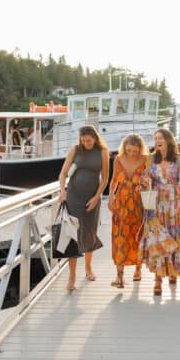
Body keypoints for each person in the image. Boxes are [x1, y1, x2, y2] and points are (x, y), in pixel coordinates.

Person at [139, 128, 180, 296]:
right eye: (155, 138)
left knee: (174, 237)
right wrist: (143, 183)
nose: (157, 140)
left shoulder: (179, 159)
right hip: (156, 204)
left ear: (169, 140)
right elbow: (145, 177)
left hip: (174, 204)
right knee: (157, 238)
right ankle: (157, 280)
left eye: (160, 137)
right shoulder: (150, 159)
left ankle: (172, 271)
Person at [58, 125, 109, 292]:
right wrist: (62, 191)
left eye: (89, 140)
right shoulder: (75, 150)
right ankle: (72, 276)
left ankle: (88, 268)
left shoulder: (102, 152)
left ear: (95, 138)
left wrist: (96, 197)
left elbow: (105, 179)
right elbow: (63, 173)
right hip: (73, 197)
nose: (86, 143)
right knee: (72, 235)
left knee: (89, 232)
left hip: (91, 199)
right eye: (83, 140)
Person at [108, 133, 148, 288]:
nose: (132, 153)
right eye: (129, 150)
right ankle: (119, 276)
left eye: (135, 150)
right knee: (119, 238)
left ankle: (138, 270)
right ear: (124, 148)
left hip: (139, 203)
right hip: (121, 204)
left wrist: (144, 184)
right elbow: (114, 180)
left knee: (138, 236)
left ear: (140, 149)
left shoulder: (145, 159)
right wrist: (111, 197)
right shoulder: (118, 159)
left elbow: (150, 179)